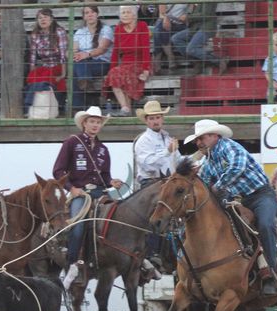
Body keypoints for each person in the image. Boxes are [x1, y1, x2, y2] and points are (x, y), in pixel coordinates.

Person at [184, 119, 277, 296]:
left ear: (214, 135)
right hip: (241, 200)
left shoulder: (228, 146)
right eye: (197, 140)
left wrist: (217, 187)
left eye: (201, 138)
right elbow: (205, 182)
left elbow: (238, 166)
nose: (198, 143)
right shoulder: (209, 160)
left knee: (266, 224)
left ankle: (272, 272)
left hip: (261, 196)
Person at [52, 106, 123, 289]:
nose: (95, 125)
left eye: (98, 122)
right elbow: (58, 171)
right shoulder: (72, 142)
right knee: (78, 226)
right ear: (84, 123)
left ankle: (114, 260)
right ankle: (71, 265)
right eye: (92, 121)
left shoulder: (103, 149)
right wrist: (72, 188)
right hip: (81, 193)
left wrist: (112, 182)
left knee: (119, 217)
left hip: (100, 192)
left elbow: (105, 177)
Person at [134, 100, 181, 276]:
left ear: (162, 119)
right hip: (150, 182)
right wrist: (167, 152)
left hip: (167, 182)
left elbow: (179, 160)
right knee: (159, 210)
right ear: (146, 121)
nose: (155, 121)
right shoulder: (143, 141)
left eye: (158, 117)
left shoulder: (168, 139)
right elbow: (147, 164)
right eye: (152, 118)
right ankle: (153, 253)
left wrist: (195, 159)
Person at [103, 5, 151, 117]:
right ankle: (125, 107)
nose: (124, 15)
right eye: (123, 13)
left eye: (127, 12)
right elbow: (115, 52)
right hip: (124, 65)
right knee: (116, 73)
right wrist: (111, 70)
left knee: (123, 73)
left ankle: (126, 110)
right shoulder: (118, 29)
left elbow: (146, 49)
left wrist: (146, 70)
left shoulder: (142, 26)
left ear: (134, 15)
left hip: (139, 63)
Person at [25, 8, 67, 115]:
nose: (43, 20)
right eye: (40, 18)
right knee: (33, 78)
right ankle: (34, 107)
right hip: (45, 65)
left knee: (47, 79)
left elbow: (63, 54)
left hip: (58, 65)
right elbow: (33, 57)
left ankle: (30, 105)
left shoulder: (59, 32)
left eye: (45, 17)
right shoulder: (35, 35)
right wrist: (32, 74)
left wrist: (63, 74)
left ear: (51, 19)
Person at [72, 5, 113, 111]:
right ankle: (89, 93)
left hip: (102, 62)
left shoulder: (106, 29)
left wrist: (86, 54)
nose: (90, 15)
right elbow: (73, 50)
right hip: (84, 63)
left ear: (97, 14)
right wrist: (76, 55)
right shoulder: (80, 32)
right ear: (84, 17)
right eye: (87, 13)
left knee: (78, 67)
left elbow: (102, 49)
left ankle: (78, 108)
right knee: (77, 66)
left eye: (92, 12)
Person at [170, 2, 228, 75]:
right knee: (176, 38)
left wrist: (188, 17)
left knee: (191, 49)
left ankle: (219, 61)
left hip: (206, 27)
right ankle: (197, 61)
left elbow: (206, 15)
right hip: (195, 28)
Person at [152, 3, 189, 74]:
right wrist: (166, 18)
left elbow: (190, 14)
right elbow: (161, 14)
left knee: (157, 31)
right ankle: (170, 57)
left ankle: (157, 60)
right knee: (159, 30)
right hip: (166, 23)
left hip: (180, 25)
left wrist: (185, 17)